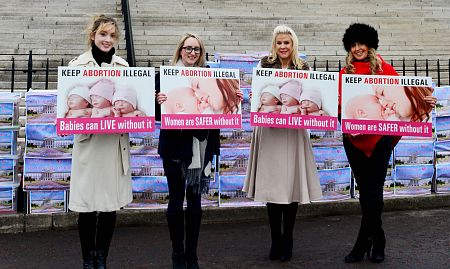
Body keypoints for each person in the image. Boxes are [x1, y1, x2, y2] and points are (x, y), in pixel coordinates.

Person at [339, 23, 436, 264]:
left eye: (362, 43)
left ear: (370, 44)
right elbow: (338, 104)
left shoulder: (385, 68)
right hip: (353, 139)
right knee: (365, 192)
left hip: (380, 139)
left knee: (374, 191)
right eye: (353, 44)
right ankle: (376, 237)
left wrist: (427, 101)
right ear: (349, 48)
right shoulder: (344, 72)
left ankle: (364, 242)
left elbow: (403, 97)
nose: (358, 48)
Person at [243, 25, 322, 263]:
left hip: (293, 133)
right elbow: (257, 96)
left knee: (291, 186)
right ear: (274, 45)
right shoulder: (264, 65)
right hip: (269, 133)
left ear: (293, 44)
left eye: (287, 42)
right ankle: (275, 238)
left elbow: (311, 96)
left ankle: (288, 237)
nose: (283, 47)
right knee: (272, 187)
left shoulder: (303, 68)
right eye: (279, 43)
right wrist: (251, 98)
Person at [68, 15, 132, 269]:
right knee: (87, 206)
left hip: (113, 145)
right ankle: (87, 258)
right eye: (103, 34)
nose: (107, 40)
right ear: (93, 35)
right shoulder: (77, 65)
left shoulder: (124, 67)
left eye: (112, 35)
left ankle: (101, 256)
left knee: (108, 206)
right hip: (89, 143)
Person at [155, 33, 223, 269]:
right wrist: (159, 101)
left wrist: (234, 99)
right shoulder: (166, 76)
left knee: (195, 202)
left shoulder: (210, 77)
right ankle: (177, 253)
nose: (192, 52)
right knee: (175, 200)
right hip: (175, 147)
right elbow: (155, 115)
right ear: (180, 50)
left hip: (201, 146)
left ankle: (191, 255)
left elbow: (220, 108)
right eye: (188, 48)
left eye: (197, 49)